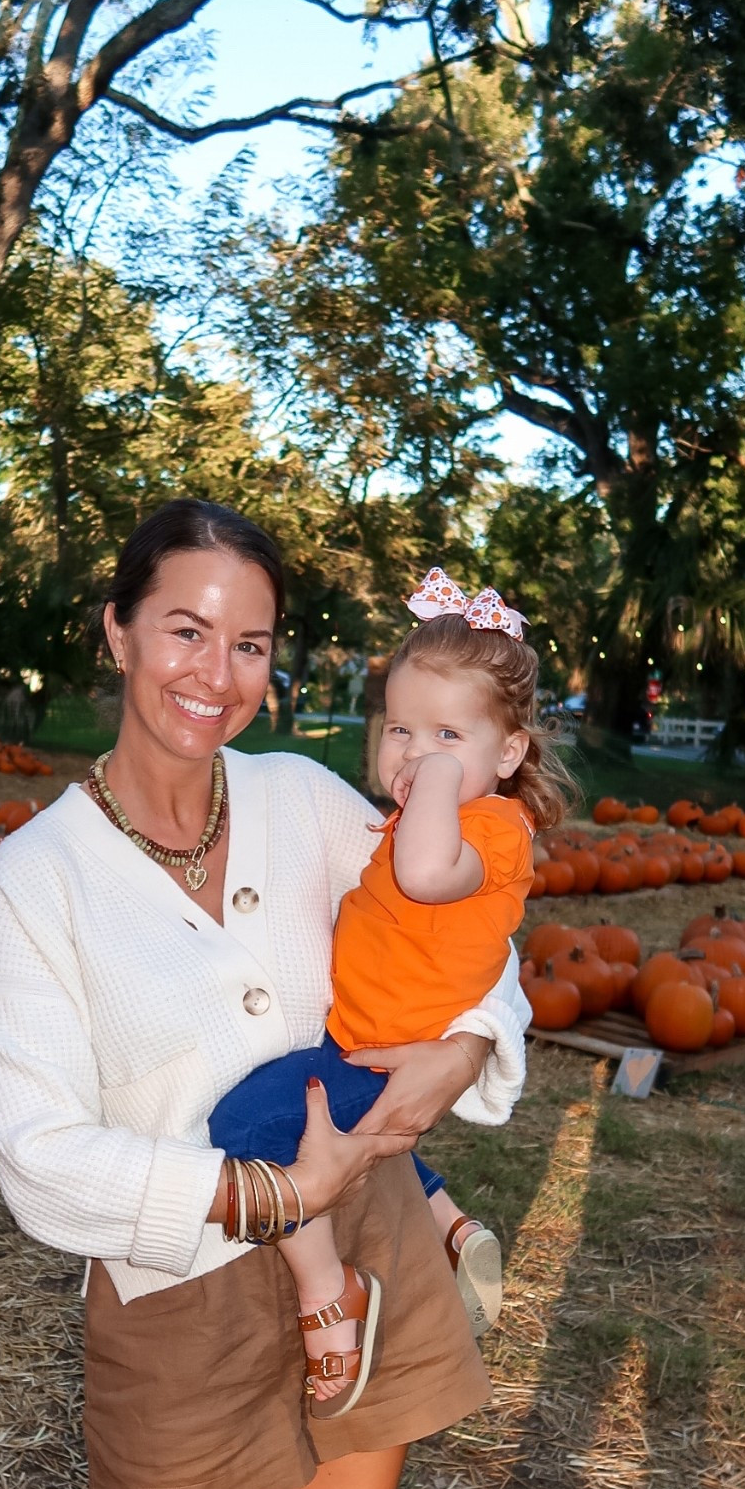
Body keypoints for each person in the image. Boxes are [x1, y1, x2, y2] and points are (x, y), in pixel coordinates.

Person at [0, 500, 529, 1489]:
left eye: (250, 642)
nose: (215, 670)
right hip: (180, 1298)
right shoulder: (40, 878)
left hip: (368, 1255)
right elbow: (38, 1157)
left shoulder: (301, 801)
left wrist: (457, 1054)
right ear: (121, 630)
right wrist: (271, 1192)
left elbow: (467, 947)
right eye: (185, 629)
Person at [207, 566, 572, 1409]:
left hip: (376, 1050)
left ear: (509, 754)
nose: (414, 753)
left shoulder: (491, 829)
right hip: (362, 1039)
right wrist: (435, 769)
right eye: (400, 729)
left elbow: (421, 876)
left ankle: (330, 1291)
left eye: (449, 735)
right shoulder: (427, 816)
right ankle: (447, 1225)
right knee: (326, 1128)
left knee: (248, 1127)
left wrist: (436, 781)